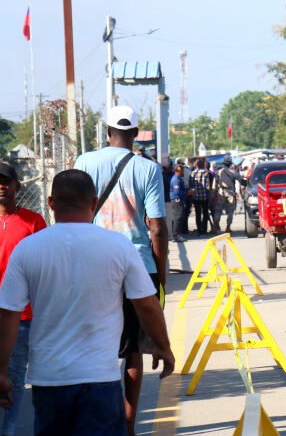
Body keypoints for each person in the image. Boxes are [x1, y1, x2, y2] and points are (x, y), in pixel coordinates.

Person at [0, 169, 174, 436]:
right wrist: (163, 347)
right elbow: (147, 304)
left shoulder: (28, 249)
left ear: (51, 203)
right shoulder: (119, 247)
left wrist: (2, 372)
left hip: (49, 381)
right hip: (100, 380)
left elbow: (8, 315)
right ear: (94, 203)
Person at [74, 105, 168, 436]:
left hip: (92, 263)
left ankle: (97, 420)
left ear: (107, 130)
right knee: (132, 353)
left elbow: (75, 210)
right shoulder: (147, 169)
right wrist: (161, 272)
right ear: (135, 134)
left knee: (95, 346)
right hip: (136, 265)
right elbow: (156, 226)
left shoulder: (84, 162)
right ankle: (127, 426)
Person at [0, 163, 46, 436]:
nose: (1, 187)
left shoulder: (33, 221)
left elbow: (46, 268)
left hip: (22, 317)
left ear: (18, 186)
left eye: (6, 181)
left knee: (16, 381)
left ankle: (10, 431)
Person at [214, 155, 246, 233]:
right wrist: (247, 182)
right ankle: (228, 227)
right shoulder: (233, 172)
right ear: (230, 163)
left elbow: (215, 183)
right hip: (230, 193)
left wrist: (215, 192)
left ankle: (216, 226)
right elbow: (242, 181)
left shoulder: (218, 172)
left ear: (223, 163)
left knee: (218, 211)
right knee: (230, 211)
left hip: (221, 192)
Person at [189, 158, 211, 235]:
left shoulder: (192, 173)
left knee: (197, 214)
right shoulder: (206, 172)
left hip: (196, 197)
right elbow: (208, 185)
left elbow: (191, 186)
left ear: (196, 165)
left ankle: (199, 230)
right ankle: (204, 230)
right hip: (204, 197)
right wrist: (208, 194)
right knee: (205, 214)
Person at [169, 164, 188, 242]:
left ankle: (176, 234)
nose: (183, 172)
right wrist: (187, 192)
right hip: (177, 199)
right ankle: (176, 235)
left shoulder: (178, 178)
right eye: (182, 170)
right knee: (178, 217)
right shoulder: (176, 179)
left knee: (179, 217)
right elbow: (177, 192)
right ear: (178, 170)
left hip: (178, 199)